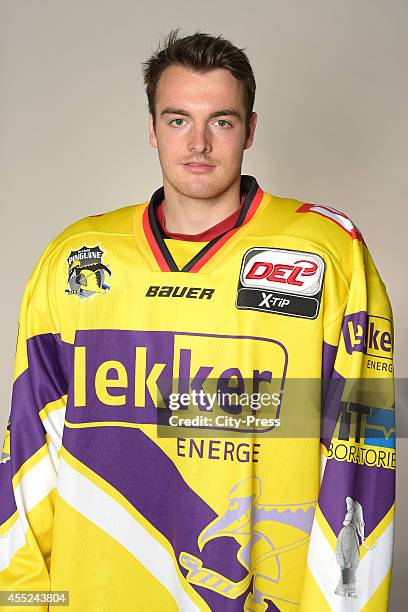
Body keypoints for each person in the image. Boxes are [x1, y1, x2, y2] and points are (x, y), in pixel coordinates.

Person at [0, 28, 395, 611]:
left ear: (251, 130)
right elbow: (26, 455)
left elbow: (363, 447)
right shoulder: (77, 257)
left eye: (223, 121)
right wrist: (25, 601)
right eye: (179, 119)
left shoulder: (326, 254)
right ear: (152, 128)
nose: (200, 143)